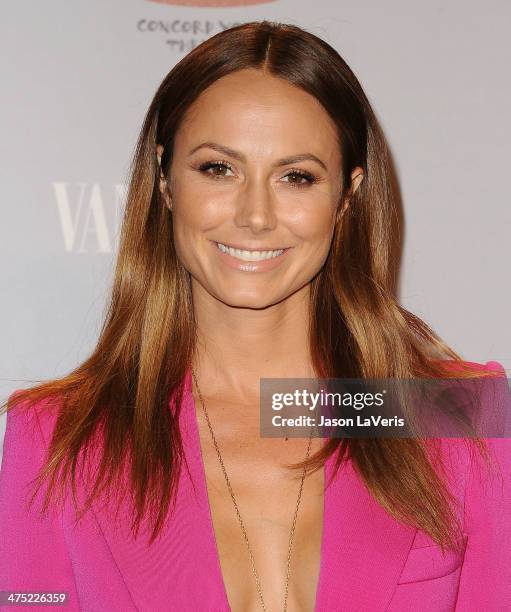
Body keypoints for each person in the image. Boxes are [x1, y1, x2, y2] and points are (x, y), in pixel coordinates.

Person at [1, 20, 510, 612]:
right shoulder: (60, 437)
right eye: (219, 168)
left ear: (347, 196)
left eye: (297, 177)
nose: (256, 215)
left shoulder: (456, 417)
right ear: (165, 179)